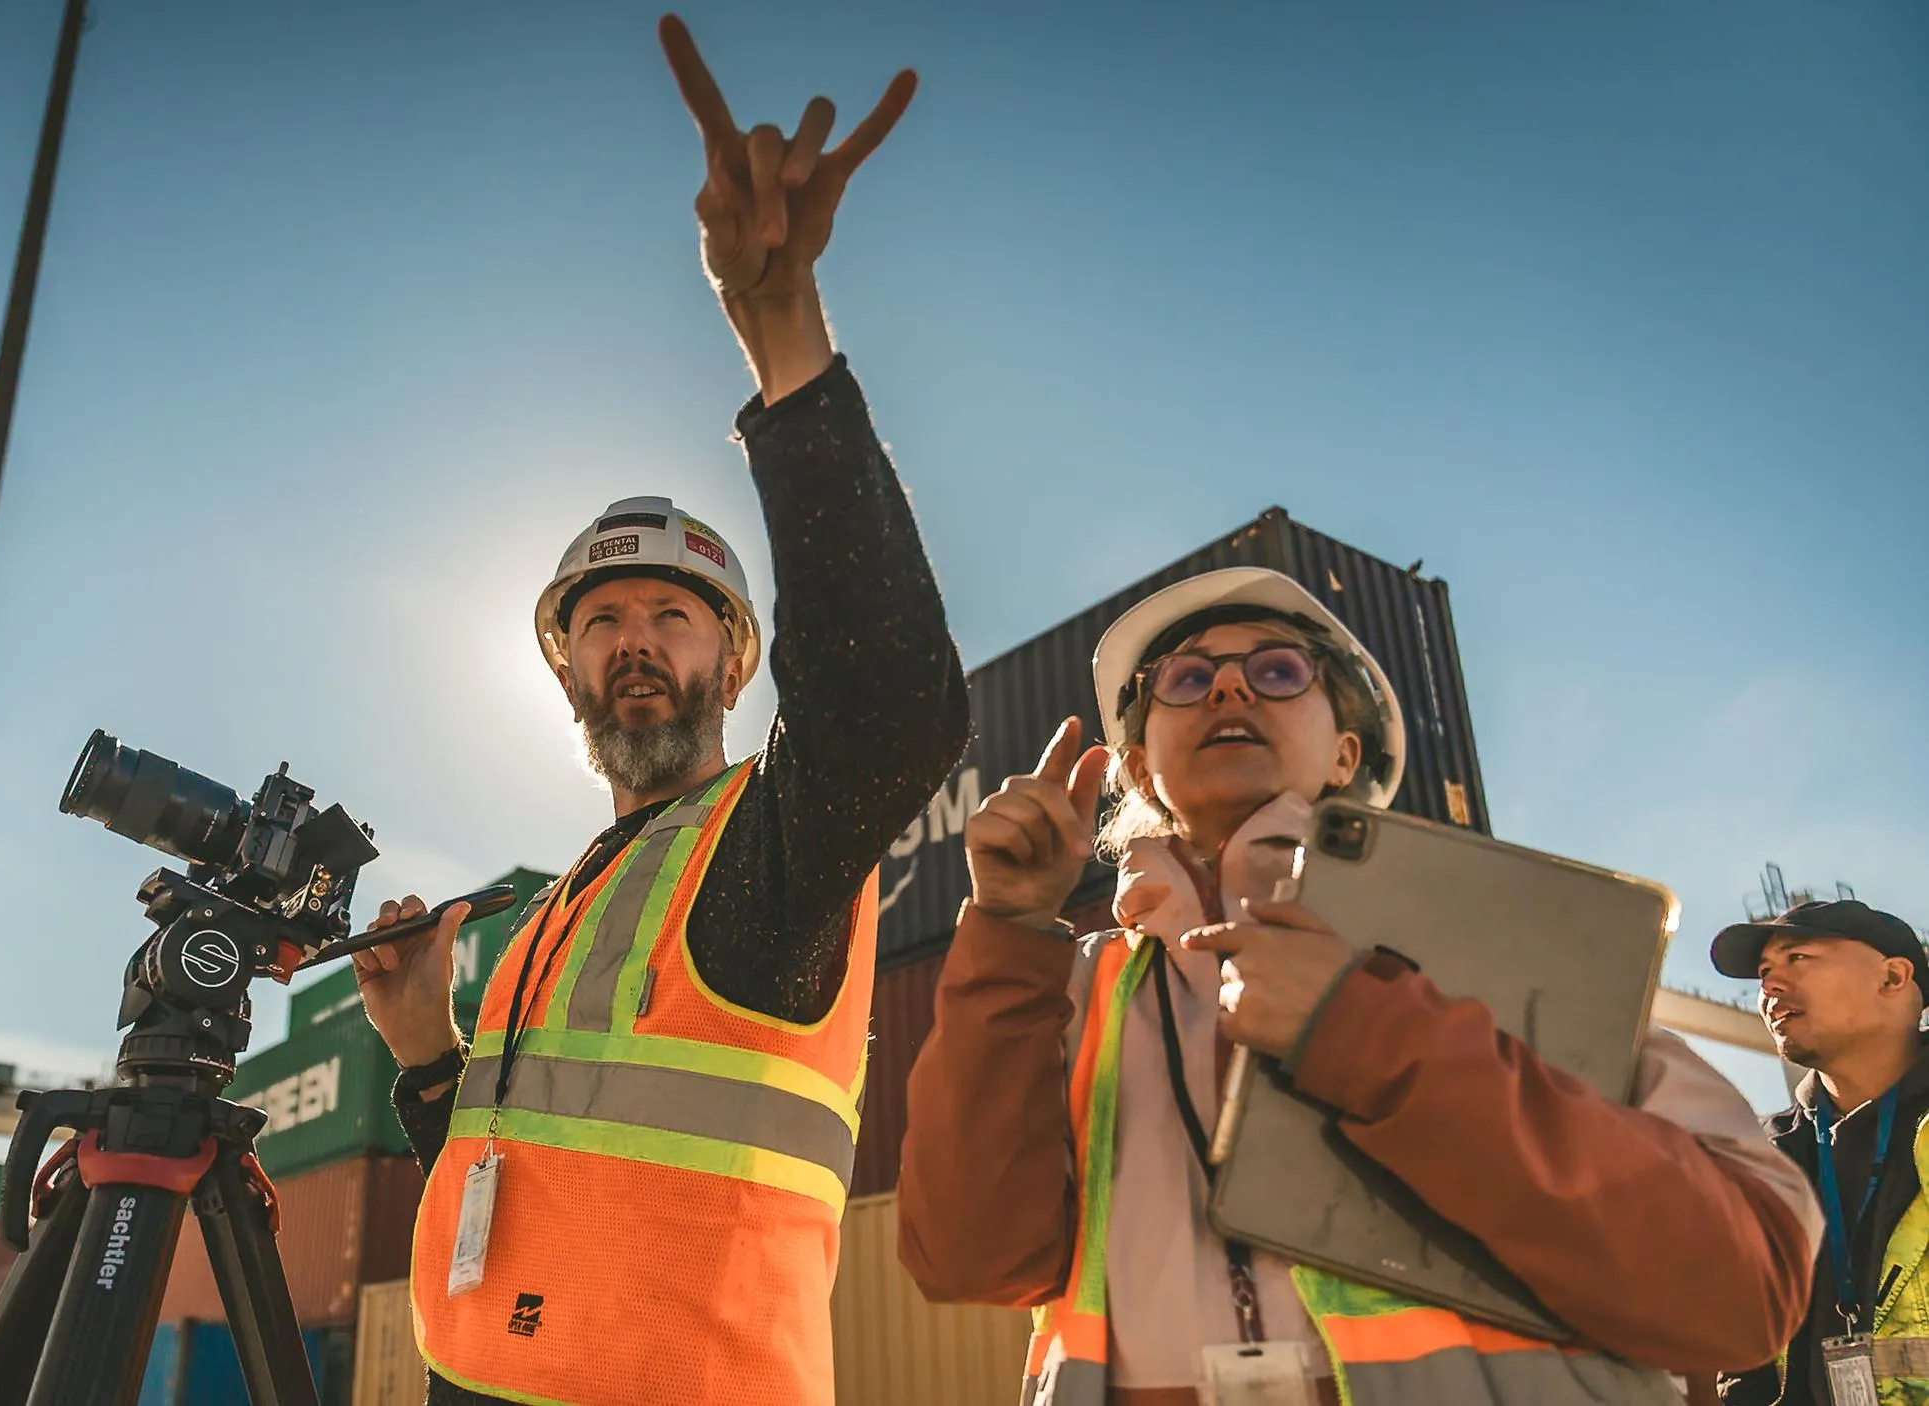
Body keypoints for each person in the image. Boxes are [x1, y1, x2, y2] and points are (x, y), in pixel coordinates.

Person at [348, 16, 968, 1406]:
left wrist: (782, 338)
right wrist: (427, 1053)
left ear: (735, 663)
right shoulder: (558, 907)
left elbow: (887, 708)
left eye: (672, 615)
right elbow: (520, 1165)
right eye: (602, 620)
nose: (635, 640)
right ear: (565, 672)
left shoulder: (768, 855)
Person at [896, 565, 1822, 1405]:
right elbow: (969, 1258)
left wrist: (1374, 1037)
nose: (1227, 686)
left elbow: (1746, 1291)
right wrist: (1010, 932)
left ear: (1344, 755)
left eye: (1278, 671)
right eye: (1186, 679)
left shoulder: (1497, 949)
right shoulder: (1070, 993)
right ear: (1140, 769)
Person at [1712, 898, 1929, 1405]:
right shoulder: (1758, 1160)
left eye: (1798, 959)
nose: (1769, 985)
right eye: (1764, 972)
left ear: (1893, 979)